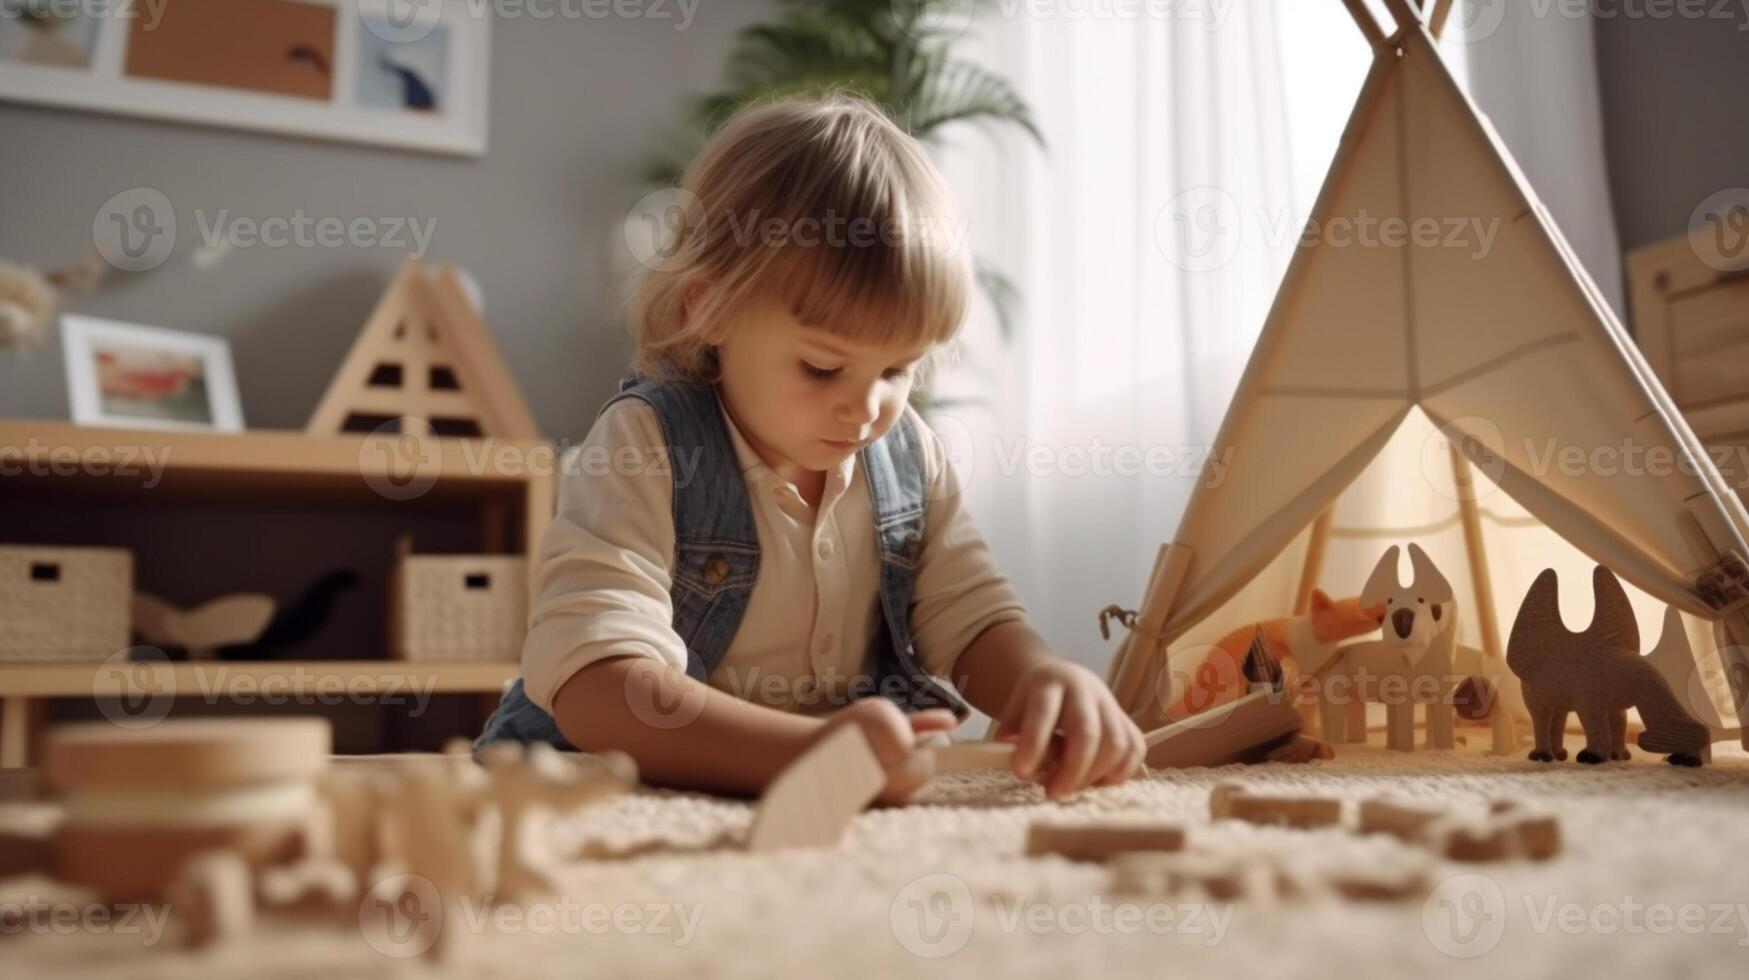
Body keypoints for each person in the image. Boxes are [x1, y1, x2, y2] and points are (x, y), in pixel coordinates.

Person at [476, 92, 1144, 803]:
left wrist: (1040, 678)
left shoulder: (907, 452)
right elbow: (596, 688)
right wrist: (806, 756)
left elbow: (970, 614)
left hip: (828, 784)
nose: (865, 408)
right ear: (707, 308)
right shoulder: (648, 441)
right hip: (610, 785)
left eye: (897, 370)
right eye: (823, 368)